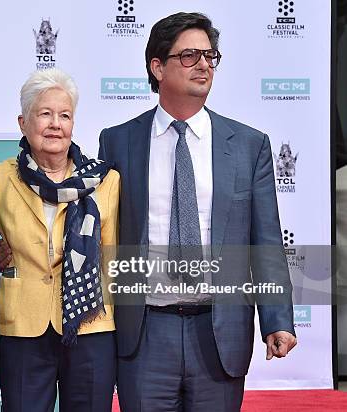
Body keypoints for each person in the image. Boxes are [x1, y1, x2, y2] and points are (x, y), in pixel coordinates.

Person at [97, 12, 297, 411]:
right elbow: (104, 234)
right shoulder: (119, 142)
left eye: (210, 55)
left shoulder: (247, 145)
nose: (204, 64)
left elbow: (266, 242)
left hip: (219, 331)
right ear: (158, 66)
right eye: (189, 56)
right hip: (145, 333)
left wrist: (277, 318)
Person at [0, 68, 120, 412]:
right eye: (44, 114)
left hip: (91, 322)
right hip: (24, 325)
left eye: (64, 115)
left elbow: (113, 259)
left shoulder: (105, 181)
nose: (55, 124)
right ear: (23, 122)